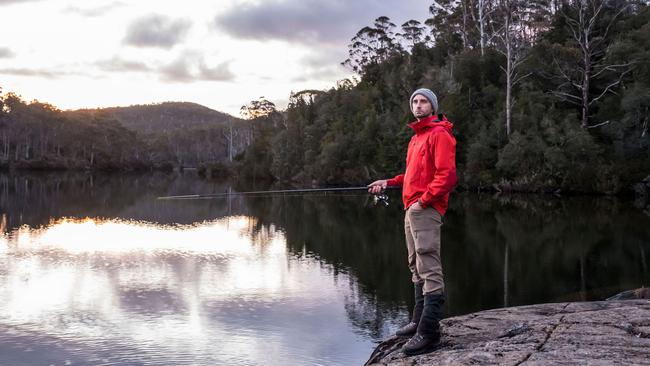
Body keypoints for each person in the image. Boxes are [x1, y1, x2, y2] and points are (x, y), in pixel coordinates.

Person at [368, 88, 457, 356]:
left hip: (425, 208)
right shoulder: (417, 137)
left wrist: (424, 201)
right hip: (411, 207)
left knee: (428, 263)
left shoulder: (440, 134)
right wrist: (389, 182)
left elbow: (447, 175)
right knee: (414, 264)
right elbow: (411, 175)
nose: (418, 105)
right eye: (415, 102)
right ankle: (418, 321)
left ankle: (429, 333)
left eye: (423, 102)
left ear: (432, 106)